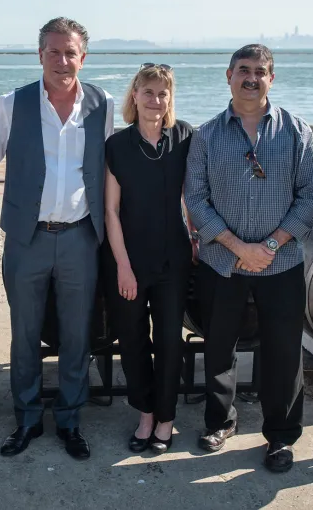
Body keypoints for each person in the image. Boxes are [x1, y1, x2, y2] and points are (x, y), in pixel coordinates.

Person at [184, 44, 313, 473]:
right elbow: (196, 198)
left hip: (281, 264)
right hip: (221, 263)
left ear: (272, 79)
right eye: (244, 70)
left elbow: (310, 195)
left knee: (283, 352)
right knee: (219, 346)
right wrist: (239, 247)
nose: (251, 78)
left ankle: (280, 436)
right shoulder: (206, 135)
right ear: (228, 76)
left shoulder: (297, 131)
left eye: (260, 71)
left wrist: (271, 246)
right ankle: (219, 422)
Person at [0, 17, 114, 460]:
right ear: (40, 55)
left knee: (78, 335)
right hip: (27, 238)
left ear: (84, 56)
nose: (63, 60)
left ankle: (70, 420)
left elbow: (118, 167)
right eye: (54, 51)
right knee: (24, 334)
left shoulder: (104, 104)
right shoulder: (12, 104)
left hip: (81, 237)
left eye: (71, 52)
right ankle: (25, 420)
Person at [103, 63, 195, 454]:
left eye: (163, 93)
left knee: (170, 342)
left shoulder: (185, 136)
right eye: (148, 92)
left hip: (174, 259)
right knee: (134, 340)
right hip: (130, 260)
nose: (155, 100)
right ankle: (145, 414)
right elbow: (111, 210)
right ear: (135, 95)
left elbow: (194, 193)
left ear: (170, 98)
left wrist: (195, 236)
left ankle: (167, 418)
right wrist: (123, 265)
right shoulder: (117, 146)